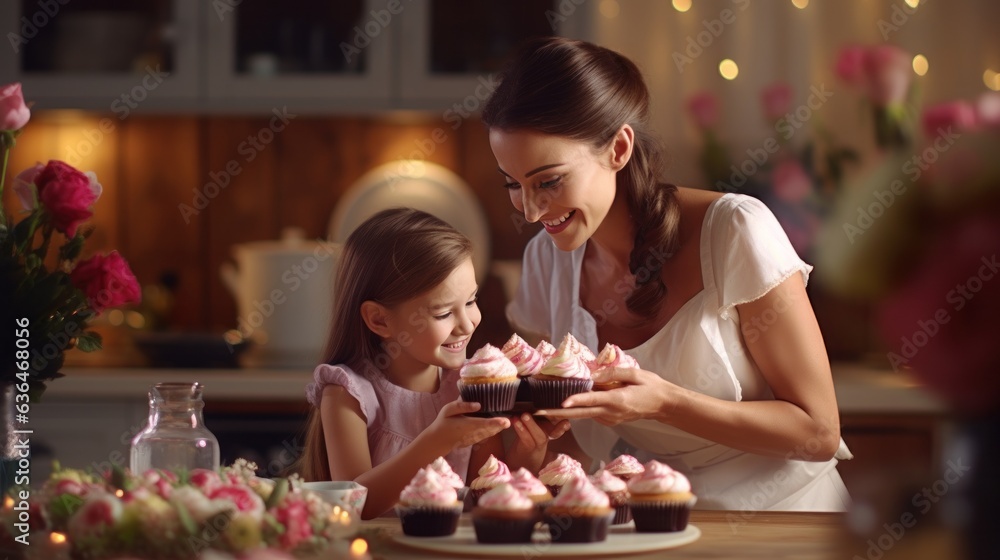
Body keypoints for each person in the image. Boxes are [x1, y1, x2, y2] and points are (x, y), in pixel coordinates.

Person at [482, 37, 852, 511]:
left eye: (549, 181)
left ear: (618, 148)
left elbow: (819, 432)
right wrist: (534, 449)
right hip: (656, 524)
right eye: (513, 184)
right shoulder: (545, 262)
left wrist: (667, 403)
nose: (531, 211)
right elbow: (577, 445)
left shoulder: (734, 230)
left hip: (786, 519)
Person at [297, 208, 569, 519]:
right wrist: (437, 441)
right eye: (442, 313)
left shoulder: (471, 385)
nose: (467, 324)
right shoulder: (347, 393)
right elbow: (354, 506)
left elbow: (489, 498)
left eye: (470, 301)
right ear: (379, 319)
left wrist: (529, 452)